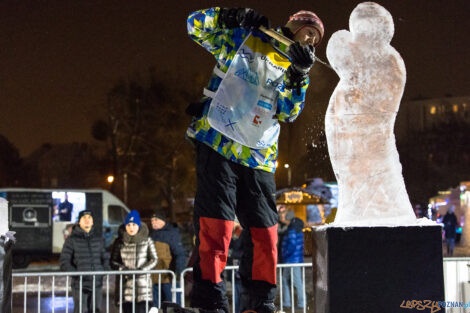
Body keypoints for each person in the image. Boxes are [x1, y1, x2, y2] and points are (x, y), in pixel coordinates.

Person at [185, 7, 324, 313]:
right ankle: (209, 297)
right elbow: (194, 26)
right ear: (294, 25)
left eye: (316, 38)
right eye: (309, 30)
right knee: (217, 223)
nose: (312, 39)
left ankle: (261, 300)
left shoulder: (296, 64)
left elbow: (290, 112)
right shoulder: (246, 36)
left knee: (265, 229)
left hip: (258, 156)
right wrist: (231, 17)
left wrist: (299, 75)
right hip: (218, 141)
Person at [60, 210, 109, 313]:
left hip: (96, 283)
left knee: (96, 310)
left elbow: (105, 258)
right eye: (84, 218)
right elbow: (64, 261)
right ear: (79, 222)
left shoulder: (98, 239)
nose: (87, 221)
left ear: (92, 222)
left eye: (89, 218)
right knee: (81, 310)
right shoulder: (71, 240)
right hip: (79, 284)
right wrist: (76, 274)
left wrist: (103, 271)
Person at [110, 210, 157, 313]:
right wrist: (123, 269)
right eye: (129, 225)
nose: (131, 228)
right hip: (126, 286)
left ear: (139, 225)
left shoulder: (147, 240)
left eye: (134, 224)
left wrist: (142, 269)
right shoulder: (119, 242)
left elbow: (154, 259)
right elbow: (113, 261)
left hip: (143, 286)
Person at [149, 212, 187, 307]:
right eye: (152, 220)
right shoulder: (150, 235)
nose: (153, 222)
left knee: (173, 306)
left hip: (168, 278)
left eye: (156, 220)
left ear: (163, 221)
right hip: (154, 279)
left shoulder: (171, 234)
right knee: (156, 307)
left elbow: (180, 254)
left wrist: (179, 272)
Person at [280, 215, 305, 310]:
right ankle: (290, 302)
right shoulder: (298, 229)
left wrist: (284, 254)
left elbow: (292, 244)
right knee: (291, 281)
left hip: (290, 260)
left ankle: (298, 303)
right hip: (296, 260)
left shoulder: (291, 230)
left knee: (291, 281)